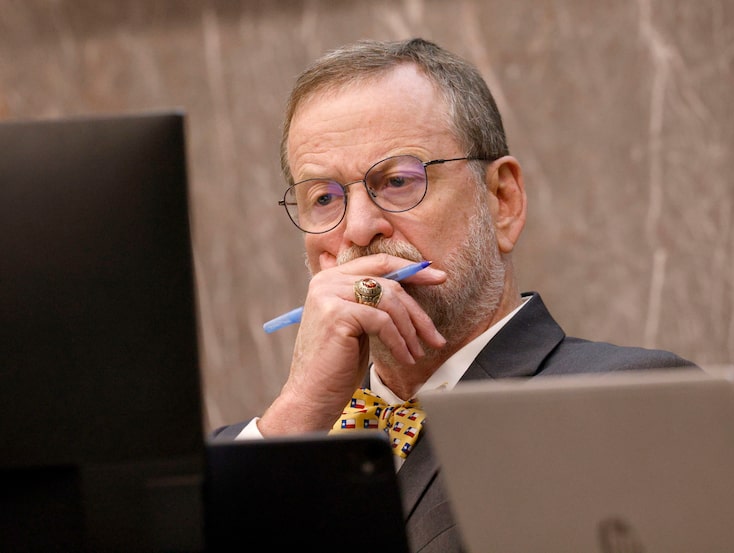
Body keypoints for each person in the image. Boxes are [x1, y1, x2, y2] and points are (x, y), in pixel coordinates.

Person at [214, 37, 695, 552]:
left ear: (502, 201)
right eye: (325, 197)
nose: (356, 228)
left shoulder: (623, 401)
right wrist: (300, 411)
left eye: (398, 180)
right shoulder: (250, 450)